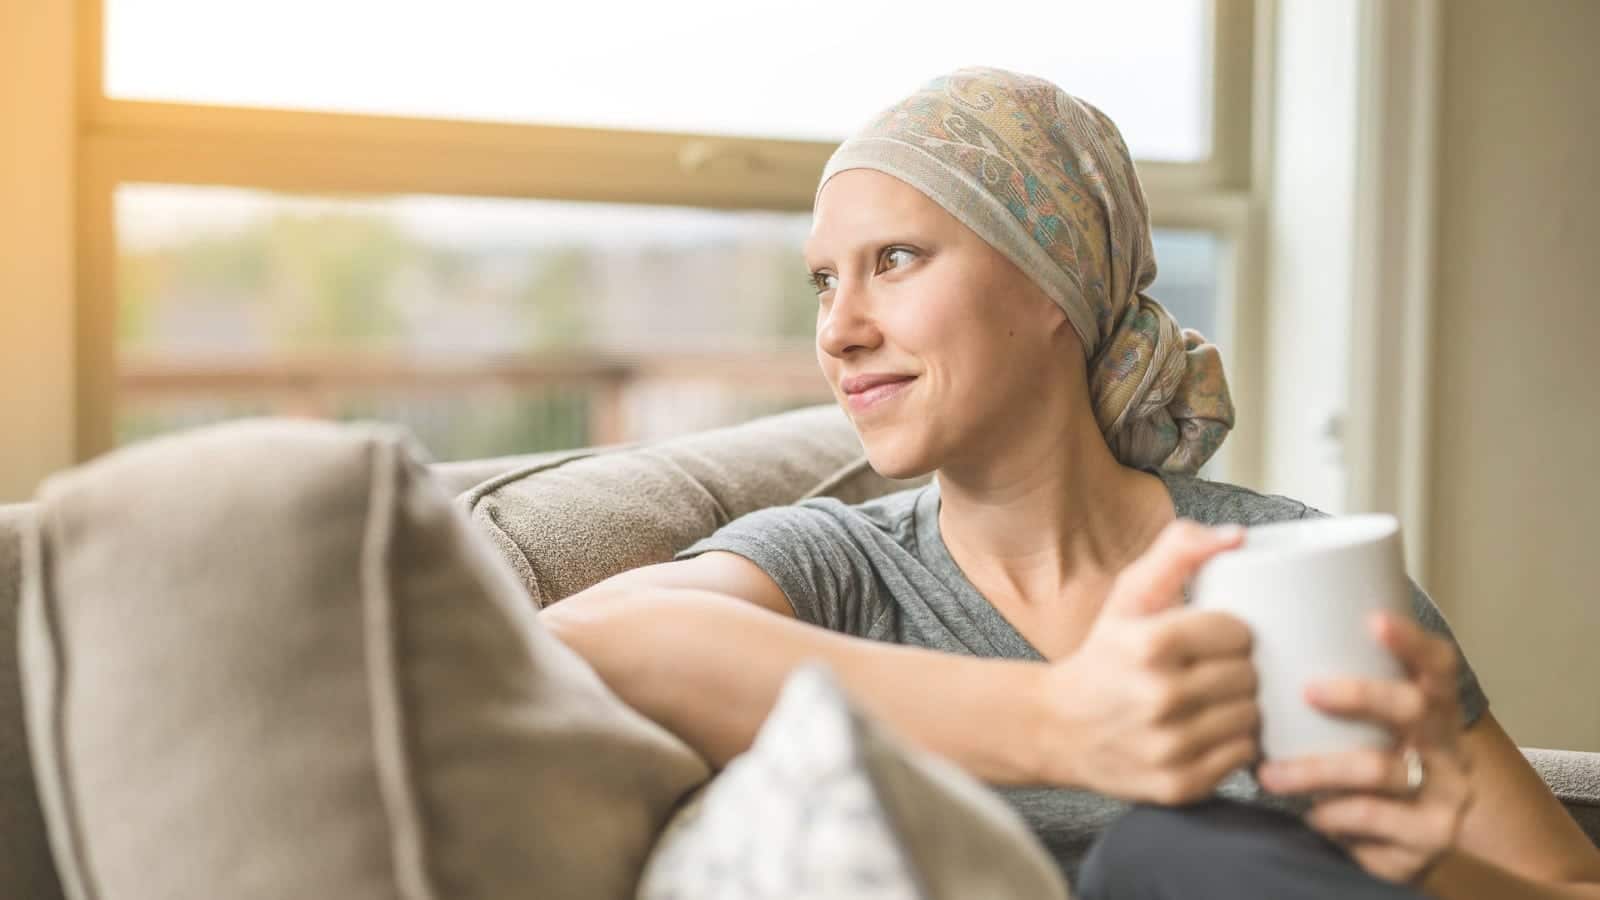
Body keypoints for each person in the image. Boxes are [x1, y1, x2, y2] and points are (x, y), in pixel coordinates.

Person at [543, 68, 1600, 897]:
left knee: (1181, 859)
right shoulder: (835, 566)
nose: (840, 329)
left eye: (895, 260)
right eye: (825, 279)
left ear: (1054, 281)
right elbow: (582, 643)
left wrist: (1428, 872)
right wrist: (1063, 718)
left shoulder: (1287, 574)